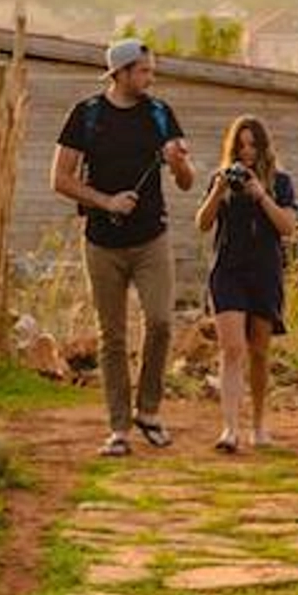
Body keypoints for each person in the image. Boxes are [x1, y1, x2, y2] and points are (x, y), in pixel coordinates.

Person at [50, 38, 195, 457]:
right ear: (121, 73)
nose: (151, 78)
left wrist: (178, 161)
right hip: (101, 242)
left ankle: (148, 411)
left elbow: (185, 181)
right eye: (144, 71)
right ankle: (118, 429)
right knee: (111, 337)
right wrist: (105, 201)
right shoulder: (87, 115)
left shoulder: (160, 114)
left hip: (152, 238)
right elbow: (59, 178)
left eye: (152, 71)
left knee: (161, 323)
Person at [195, 115, 297, 453]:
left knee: (259, 352)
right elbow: (202, 223)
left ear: (263, 147)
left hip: (265, 272)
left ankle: (259, 425)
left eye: (253, 144)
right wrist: (219, 190)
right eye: (240, 145)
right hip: (228, 271)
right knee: (232, 348)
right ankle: (229, 429)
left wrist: (261, 194)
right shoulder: (221, 180)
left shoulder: (280, 182)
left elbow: (287, 227)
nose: (247, 151)